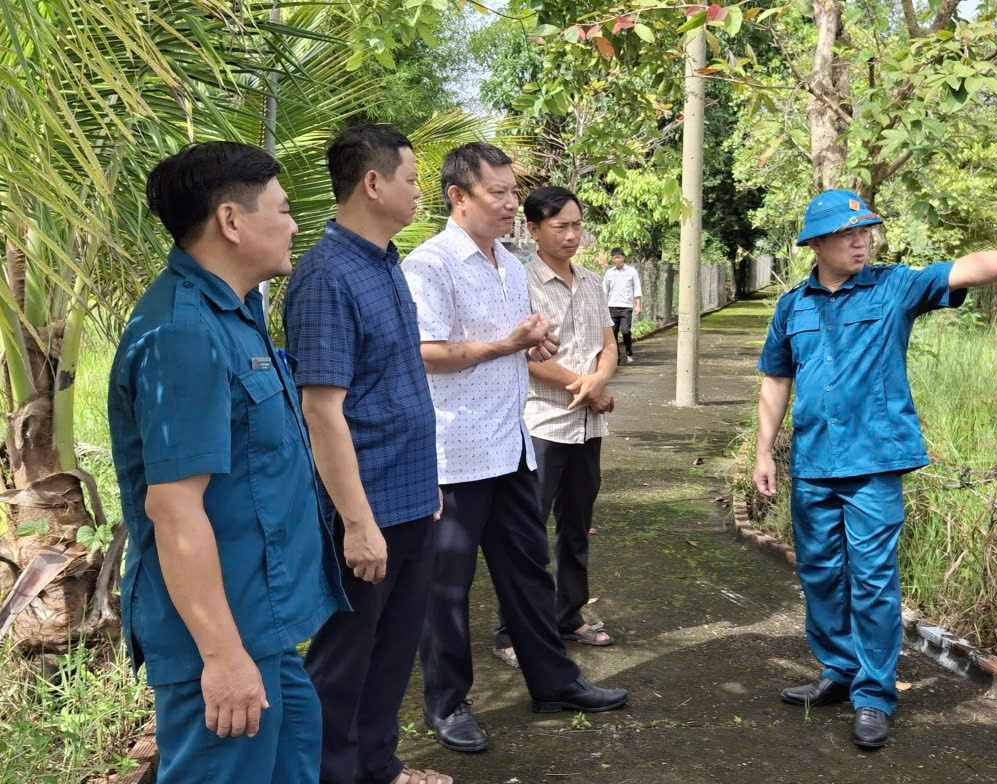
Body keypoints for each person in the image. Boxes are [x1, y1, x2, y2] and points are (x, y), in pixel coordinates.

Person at [753, 189, 997, 749]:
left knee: (873, 580)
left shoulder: (894, 287)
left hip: (874, 462)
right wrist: (764, 451)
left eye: (865, 232)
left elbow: (964, 269)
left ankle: (874, 694)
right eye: (846, 235)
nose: (861, 242)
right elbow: (776, 378)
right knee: (819, 574)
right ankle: (839, 669)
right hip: (812, 461)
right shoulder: (793, 307)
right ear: (816, 244)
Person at [108, 142, 347, 783]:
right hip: (219, 635)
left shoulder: (236, 314)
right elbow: (173, 508)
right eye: (283, 209)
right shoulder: (183, 332)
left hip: (261, 620)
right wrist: (221, 655)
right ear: (231, 221)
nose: (294, 225)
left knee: (294, 757)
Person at [403, 143, 629, 755]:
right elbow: (425, 352)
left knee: (529, 573)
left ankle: (554, 682)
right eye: (498, 193)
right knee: (447, 588)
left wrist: (531, 344)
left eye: (512, 192)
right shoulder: (430, 265)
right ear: (458, 197)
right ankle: (448, 704)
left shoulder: (505, 261)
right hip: (455, 455)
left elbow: (509, 344)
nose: (510, 204)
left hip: (510, 446)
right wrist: (507, 345)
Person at [284, 125, 450, 784]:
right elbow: (322, 410)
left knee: (392, 649)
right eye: (412, 179)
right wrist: (356, 522)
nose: (420, 192)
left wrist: (428, 484)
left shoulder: (384, 263)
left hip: (409, 496)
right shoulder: (327, 276)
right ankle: (327, 774)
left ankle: (379, 766)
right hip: (366, 503)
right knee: (344, 657)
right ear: (373, 183)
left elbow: (396, 382)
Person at [491, 186, 618, 669]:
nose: (571, 235)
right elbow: (527, 357)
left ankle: (569, 615)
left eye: (577, 225)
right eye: (560, 226)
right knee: (527, 531)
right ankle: (511, 631)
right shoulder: (519, 282)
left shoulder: (592, 281)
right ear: (533, 229)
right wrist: (587, 387)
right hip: (541, 423)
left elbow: (608, 344)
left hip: (588, 425)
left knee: (576, 525)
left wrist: (598, 382)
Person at [602, 247, 642, 363]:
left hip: (626, 307)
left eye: (619, 257)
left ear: (624, 257)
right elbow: (604, 291)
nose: (617, 260)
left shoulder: (632, 272)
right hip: (612, 307)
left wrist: (638, 305)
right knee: (613, 333)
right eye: (615, 258)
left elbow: (637, 289)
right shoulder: (609, 273)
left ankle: (629, 352)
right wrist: (602, 307)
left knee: (625, 331)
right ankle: (617, 357)